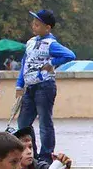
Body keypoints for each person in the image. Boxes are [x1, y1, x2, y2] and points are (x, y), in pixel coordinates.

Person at [16, 9, 76, 161]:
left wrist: (52, 63)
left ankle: (46, 155)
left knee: (44, 120)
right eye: (34, 24)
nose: (34, 26)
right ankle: (31, 153)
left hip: (44, 85)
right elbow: (25, 64)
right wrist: (19, 84)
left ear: (47, 28)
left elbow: (69, 55)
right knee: (23, 122)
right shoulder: (30, 42)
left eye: (38, 24)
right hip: (30, 87)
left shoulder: (51, 43)